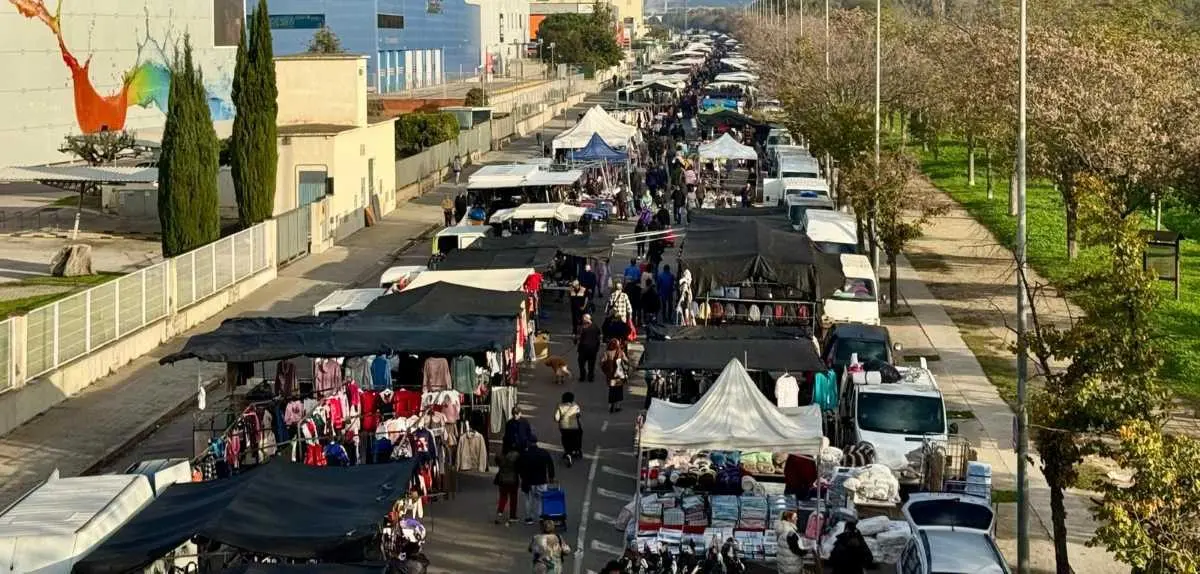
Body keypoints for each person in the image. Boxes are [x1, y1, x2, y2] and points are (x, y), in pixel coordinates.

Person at [518, 445, 556, 525]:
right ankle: (541, 516)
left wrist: (522, 477)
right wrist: (551, 476)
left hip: (529, 481)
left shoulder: (525, 454)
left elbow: (520, 467)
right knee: (541, 499)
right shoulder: (543, 452)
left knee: (529, 500)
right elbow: (550, 464)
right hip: (541, 480)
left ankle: (529, 518)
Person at [554, 392, 583, 466]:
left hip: (563, 427)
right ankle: (576, 451)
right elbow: (579, 416)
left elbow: (556, 418)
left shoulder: (559, 406)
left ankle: (567, 452)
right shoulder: (575, 406)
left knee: (565, 439)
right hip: (574, 427)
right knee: (576, 438)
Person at [494, 449, 522, 525]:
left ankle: (499, 513)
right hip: (513, 479)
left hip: (502, 479)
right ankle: (512, 516)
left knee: (503, 497)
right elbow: (519, 468)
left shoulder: (499, 455)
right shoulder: (516, 456)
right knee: (513, 498)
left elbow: (497, 462)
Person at [601, 339, 628, 413]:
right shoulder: (620, 352)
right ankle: (618, 406)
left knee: (612, 390)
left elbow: (602, 363)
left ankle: (610, 406)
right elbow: (626, 361)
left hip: (611, 376)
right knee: (619, 390)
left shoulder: (607, 353)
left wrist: (606, 372)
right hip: (619, 375)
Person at [575, 314, 601, 382]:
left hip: (583, 349)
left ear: (587, 319)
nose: (582, 320)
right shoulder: (595, 327)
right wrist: (597, 347)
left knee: (581, 364)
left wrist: (576, 340)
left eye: (583, 319)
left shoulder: (582, 328)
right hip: (593, 349)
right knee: (591, 364)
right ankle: (590, 377)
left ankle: (582, 376)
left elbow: (578, 338)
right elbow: (599, 338)